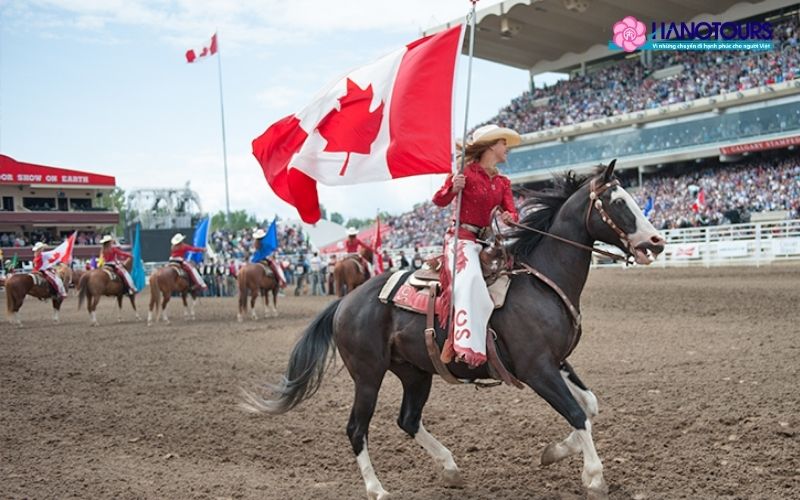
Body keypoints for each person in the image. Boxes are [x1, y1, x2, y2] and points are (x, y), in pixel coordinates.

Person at [432, 124, 520, 367]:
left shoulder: (503, 182)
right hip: (461, 238)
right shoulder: (464, 173)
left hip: (486, 240)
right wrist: (453, 187)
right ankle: (464, 346)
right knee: (470, 281)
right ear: (492, 146)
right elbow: (439, 200)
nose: (507, 149)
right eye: (504, 143)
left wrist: (510, 216)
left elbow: (511, 210)